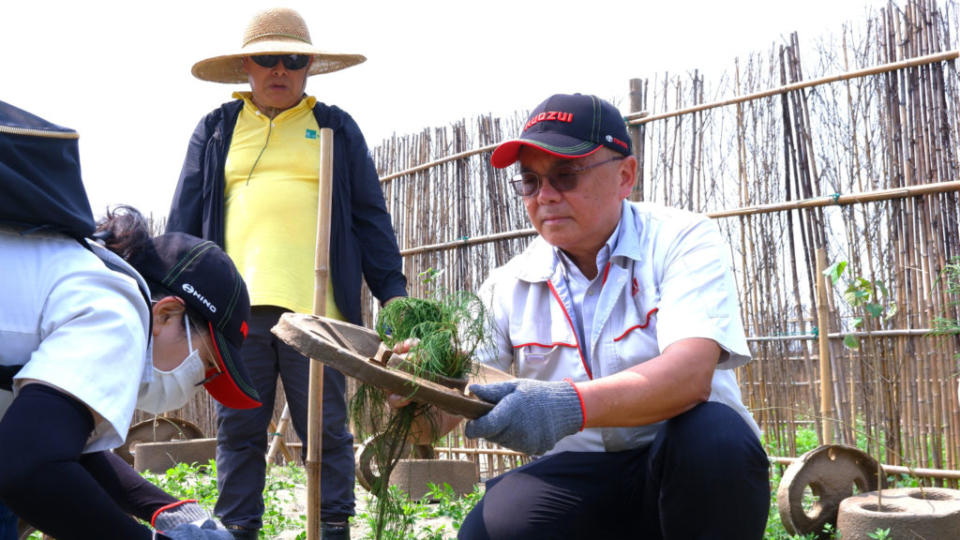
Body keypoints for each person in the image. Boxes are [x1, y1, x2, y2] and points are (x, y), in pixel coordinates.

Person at [399, 93, 770, 539]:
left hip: (683, 466)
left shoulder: (681, 240)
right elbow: (452, 402)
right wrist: (414, 392)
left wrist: (567, 404)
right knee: (492, 529)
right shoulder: (508, 284)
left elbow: (689, 376)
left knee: (715, 438)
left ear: (625, 176)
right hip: (584, 476)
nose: (547, 196)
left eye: (566, 175)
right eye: (531, 182)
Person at [166, 7, 407, 539]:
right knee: (240, 427)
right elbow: (183, 219)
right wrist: (170, 293)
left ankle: (333, 528)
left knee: (324, 430)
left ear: (309, 67)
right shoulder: (217, 130)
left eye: (293, 59)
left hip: (318, 310)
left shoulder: (334, 127)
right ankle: (238, 530)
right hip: (235, 309)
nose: (280, 69)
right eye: (267, 58)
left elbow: (370, 218)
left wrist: (393, 294)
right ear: (246, 67)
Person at [0, 101, 262, 539]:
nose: (196, 385)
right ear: (167, 313)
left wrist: (165, 508)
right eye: (207, 365)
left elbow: (56, 445)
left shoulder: (74, 271)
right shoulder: (119, 309)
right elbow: (27, 466)